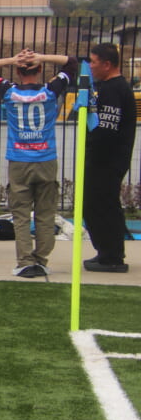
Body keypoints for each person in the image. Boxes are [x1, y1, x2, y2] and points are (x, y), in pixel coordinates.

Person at [0, 49, 78, 278]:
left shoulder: (9, 91)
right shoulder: (49, 91)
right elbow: (72, 63)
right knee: (46, 214)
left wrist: (14, 59)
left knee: (21, 215)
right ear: (40, 69)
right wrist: (41, 57)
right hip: (46, 158)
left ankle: (25, 261)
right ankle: (41, 260)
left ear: (17, 71)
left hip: (19, 160)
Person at [82, 43, 135, 273]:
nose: (91, 66)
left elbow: (106, 129)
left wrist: (92, 151)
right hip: (106, 159)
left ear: (107, 64)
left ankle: (112, 256)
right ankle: (106, 252)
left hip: (107, 160)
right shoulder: (109, 87)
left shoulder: (114, 89)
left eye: (94, 62)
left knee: (102, 206)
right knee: (97, 205)